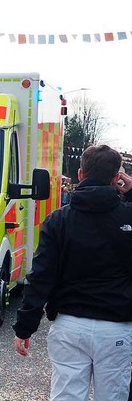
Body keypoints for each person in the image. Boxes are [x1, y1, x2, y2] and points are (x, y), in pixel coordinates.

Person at [13, 145, 132, 401]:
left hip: (70, 325)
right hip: (117, 326)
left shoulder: (58, 220)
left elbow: (41, 276)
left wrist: (25, 327)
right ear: (116, 178)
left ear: (80, 174)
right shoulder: (127, 216)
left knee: (66, 395)